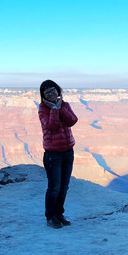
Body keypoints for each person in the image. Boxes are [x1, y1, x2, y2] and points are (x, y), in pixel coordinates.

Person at [38, 79, 78, 228]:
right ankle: (50, 217)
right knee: (54, 187)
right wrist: (54, 108)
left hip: (68, 152)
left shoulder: (65, 105)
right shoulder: (43, 109)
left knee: (64, 186)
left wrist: (60, 107)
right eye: (47, 92)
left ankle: (59, 214)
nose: (50, 93)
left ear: (58, 90)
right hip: (53, 155)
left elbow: (72, 121)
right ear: (43, 95)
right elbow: (52, 126)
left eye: (53, 90)